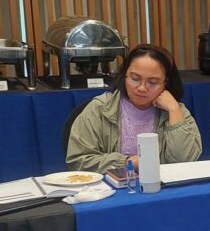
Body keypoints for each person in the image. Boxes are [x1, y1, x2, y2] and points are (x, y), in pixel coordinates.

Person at [67, 45, 201, 172]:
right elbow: (78, 161)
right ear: (124, 75)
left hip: (163, 186)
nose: (142, 88)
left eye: (153, 82)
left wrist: (174, 110)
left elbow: (185, 163)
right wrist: (126, 163)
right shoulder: (100, 109)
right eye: (135, 79)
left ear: (165, 83)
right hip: (111, 187)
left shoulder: (177, 112)